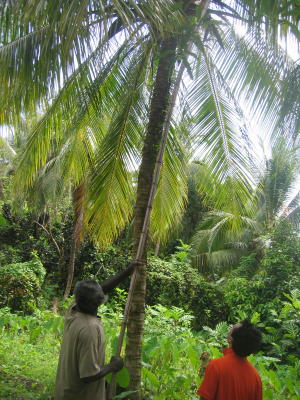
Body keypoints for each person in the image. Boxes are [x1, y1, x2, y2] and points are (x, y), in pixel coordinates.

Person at [54, 262, 140, 400]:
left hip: (64, 391)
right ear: (99, 302)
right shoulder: (90, 329)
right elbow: (88, 375)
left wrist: (126, 272)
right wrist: (112, 366)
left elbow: (101, 289)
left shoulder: (73, 311)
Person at [197, 319, 262, 400]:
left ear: (231, 339)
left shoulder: (216, 366)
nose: (230, 327)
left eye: (233, 327)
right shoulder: (256, 377)